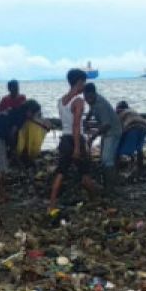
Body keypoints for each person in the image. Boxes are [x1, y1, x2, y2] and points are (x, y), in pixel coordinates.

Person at [48, 68, 99, 213]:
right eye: (84, 83)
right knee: (84, 173)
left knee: (61, 172)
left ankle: (52, 204)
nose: (84, 86)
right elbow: (76, 125)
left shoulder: (61, 101)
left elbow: (67, 123)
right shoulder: (79, 101)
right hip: (75, 139)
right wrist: (77, 147)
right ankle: (95, 199)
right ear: (79, 82)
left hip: (64, 139)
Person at [0, 99, 42, 204]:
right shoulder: (21, 116)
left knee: (0, 168)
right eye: (33, 114)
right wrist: (13, 147)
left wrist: (10, 147)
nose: (32, 117)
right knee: (0, 169)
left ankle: (2, 194)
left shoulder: (15, 111)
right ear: (29, 111)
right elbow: (12, 132)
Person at [82, 82, 122, 191]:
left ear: (94, 93)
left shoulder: (101, 105)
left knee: (107, 159)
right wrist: (86, 119)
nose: (87, 100)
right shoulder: (93, 100)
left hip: (113, 132)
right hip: (107, 132)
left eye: (89, 97)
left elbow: (107, 125)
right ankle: (108, 183)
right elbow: (91, 108)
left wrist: (93, 136)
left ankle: (110, 188)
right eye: (85, 97)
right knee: (104, 158)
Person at [116, 100, 146, 173]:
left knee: (119, 150)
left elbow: (118, 129)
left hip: (132, 128)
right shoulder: (133, 111)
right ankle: (140, 166)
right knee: (139, 148)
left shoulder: (119, 113)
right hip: (144, 127)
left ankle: (116, 167)